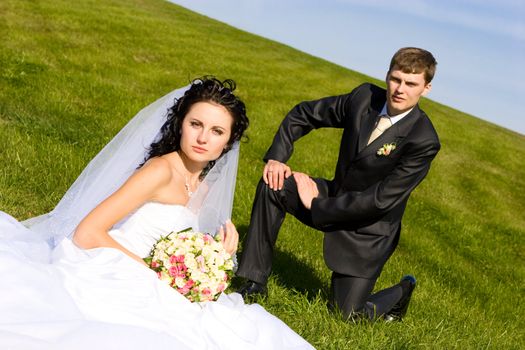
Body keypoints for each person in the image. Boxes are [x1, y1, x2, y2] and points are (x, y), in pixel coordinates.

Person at [0, 77, 314, 349]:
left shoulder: (202, 188)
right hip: (113, 270)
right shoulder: (160, 171)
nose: (203, 138)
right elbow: (87, 233)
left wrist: (216, 256)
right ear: (181, 125)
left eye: (217, 131)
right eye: (196, 124)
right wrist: (156, 274)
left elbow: (180, 251)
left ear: (228, 142)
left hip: (156, 280)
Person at [237, 47, 441, 322]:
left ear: (426, 88)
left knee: (346, 315)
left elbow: (380, 200)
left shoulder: (423, 140)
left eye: (411, 84)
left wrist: (317, 204)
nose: (400, 89)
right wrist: (276, 157)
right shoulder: (363, 98)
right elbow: (304, 114)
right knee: (274, 184)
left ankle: (402, 291)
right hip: (334, 196)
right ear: (387, 75)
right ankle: (253, 281)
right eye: (395, 79)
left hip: (368, 231)